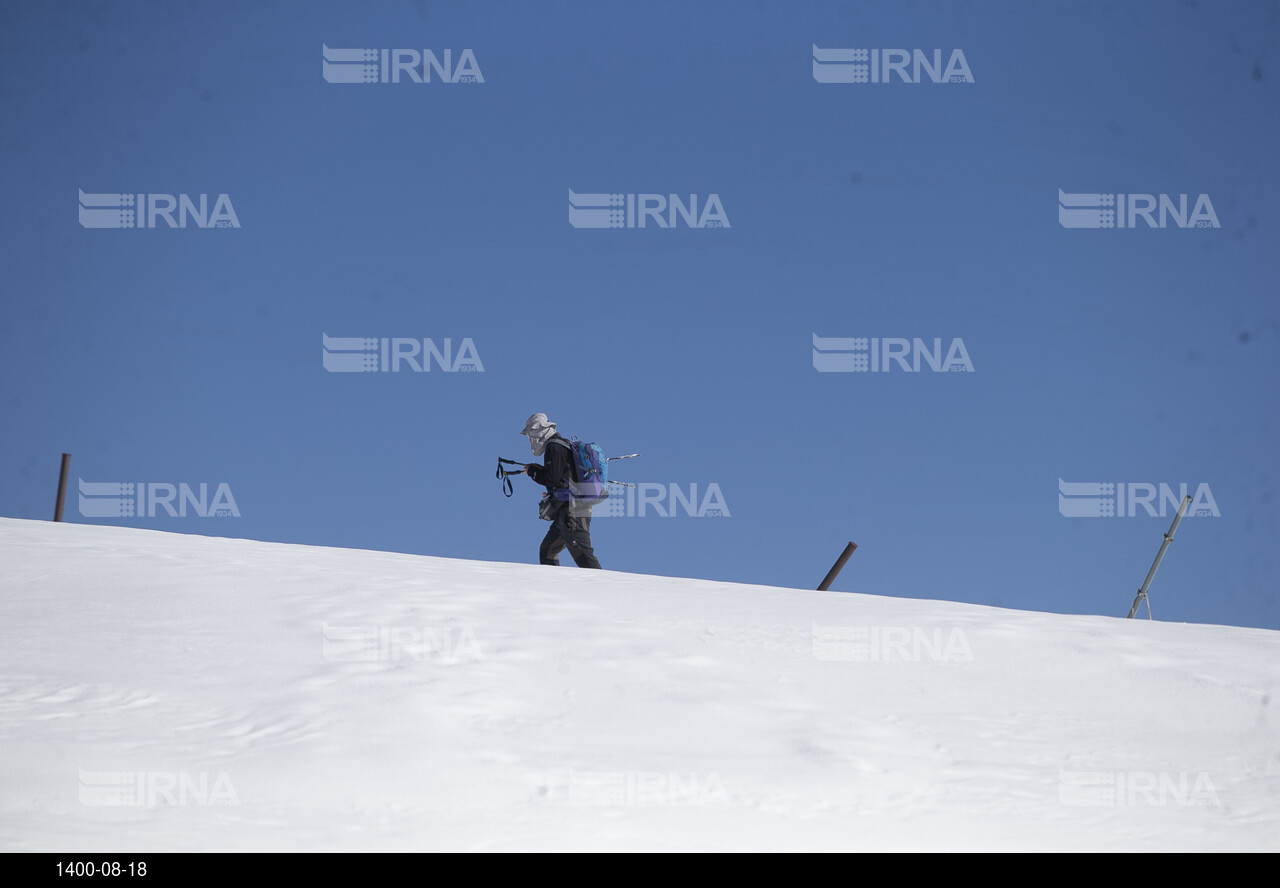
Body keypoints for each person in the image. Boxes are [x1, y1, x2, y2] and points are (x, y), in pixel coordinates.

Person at [519, 413, 602, 569]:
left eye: (530, 434)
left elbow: (553, 479)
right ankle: (555, 589)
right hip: (568, 510)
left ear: (539, 430)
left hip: (572, 512)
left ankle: (607, 591)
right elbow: (561, 476)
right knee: (547, 551)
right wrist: (538, 469)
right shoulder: (563, 444)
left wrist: (532, 472)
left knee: (584, 556)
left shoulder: (554, 446)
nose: (530, 438)